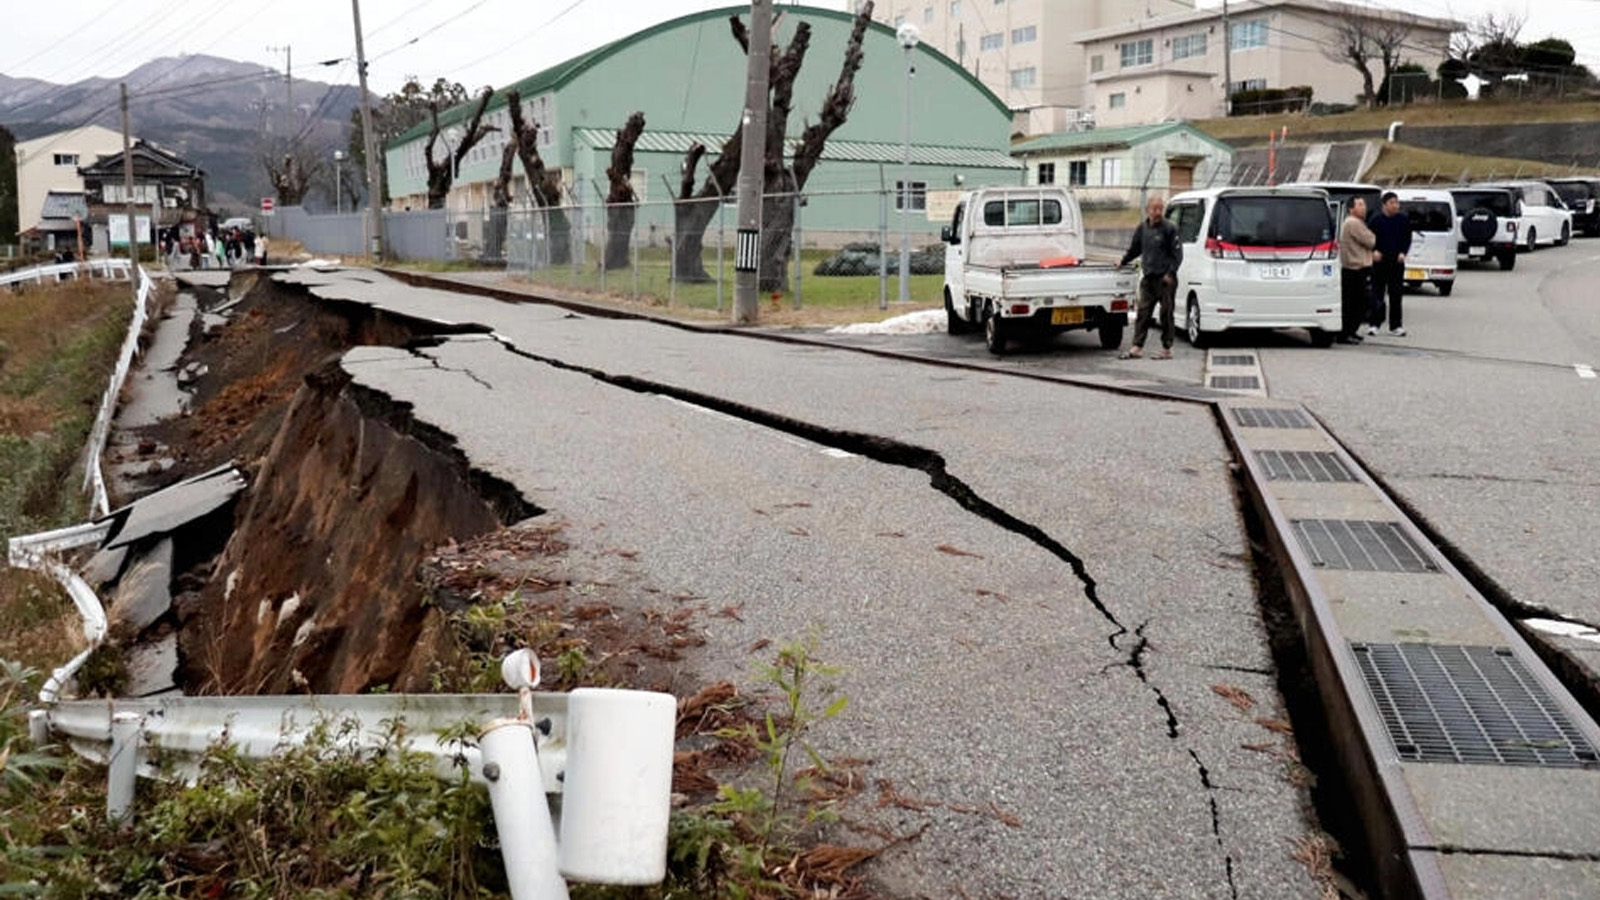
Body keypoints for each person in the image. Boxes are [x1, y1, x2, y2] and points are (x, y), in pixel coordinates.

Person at [1117, 194, 1183, 360]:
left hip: (1165, 279)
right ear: (1148, 210)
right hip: (1148, 278)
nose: (1158, 212)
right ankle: (1137, 346)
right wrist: (1123, 261)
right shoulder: (1143, 228)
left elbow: (1177, 255)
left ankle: (1167, 348)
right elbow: (1135, 249)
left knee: (1166, 314)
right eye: (1155, 209)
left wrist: (1170, 273)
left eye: (1161, 208)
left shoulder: (1170, 229)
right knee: (1143, 313)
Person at [1367, 191, 1412, 337]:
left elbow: (1407, 238)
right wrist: (1373, 251)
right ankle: (1374, 324)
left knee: (1396, 294)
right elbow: (1368, 238)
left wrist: (1403, 252)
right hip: (1380, 262)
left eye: (1396, 203)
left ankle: (1396, 325)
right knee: (1377, 294)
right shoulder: (1376, 220)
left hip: (1396, 262)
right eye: (1392, 203)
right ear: (1384, 205)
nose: (1395, 205)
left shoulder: (1403, 220)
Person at [1338, 197, 1376, 344]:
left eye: (1364, 205)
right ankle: (1346, 332)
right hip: (1356, 269)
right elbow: (1371, 240)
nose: (1364, 208)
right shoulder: (1353, 223)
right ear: (1351, 209)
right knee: (1356, 303)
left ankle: (1350, 331)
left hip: (1354, 269)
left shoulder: (1355, 223)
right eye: (1360, 205)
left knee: (1355, 303)